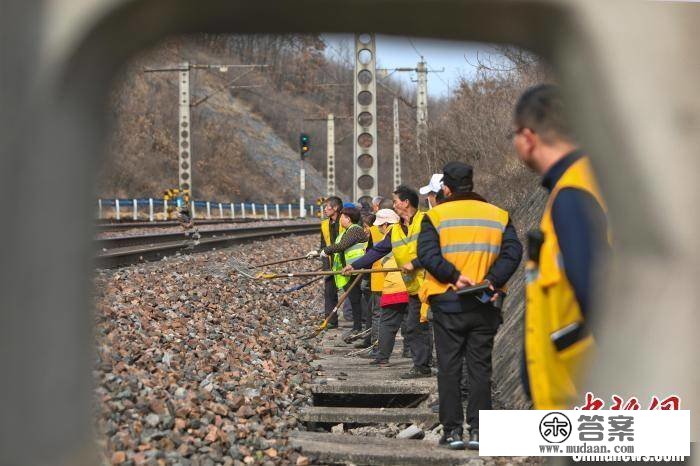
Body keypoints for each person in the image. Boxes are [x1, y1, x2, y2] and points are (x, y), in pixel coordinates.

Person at [511, 84, 609, 410]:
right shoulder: (586, 182)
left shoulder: (572, 196)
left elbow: (597, 294)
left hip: (585, 397)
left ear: (528, 137)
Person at [418, 161, 523, 450]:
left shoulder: (436, 216)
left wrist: (453, 276)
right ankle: (479, 431)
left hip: (448, 302)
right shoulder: (498, 215)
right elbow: (513, 251)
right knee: (480, 368)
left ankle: (452, 431)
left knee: (449, 368)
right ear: (472, 184)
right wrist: (492, 279)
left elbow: (426, 254)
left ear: (446, 188)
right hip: (485, 303)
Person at [343, 185, 433, 379]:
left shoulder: (426, 222)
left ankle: (425, 365)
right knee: (416, 326)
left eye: (395, 201)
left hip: (430, 283)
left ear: (406, 203)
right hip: (412, 286)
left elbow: (434, 250)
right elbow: (378, 250)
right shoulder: (395, 230)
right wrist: (356, 265)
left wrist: (415, 263)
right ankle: (422, 365)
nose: (393, 204)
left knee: (421, 326)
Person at [311, 206, 369, 339]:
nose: (340, 219)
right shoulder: (348, 230)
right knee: (354, 299)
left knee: (358, 300)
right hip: (351, 270)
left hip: (358, 270)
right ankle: (357, 327)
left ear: (348, 218)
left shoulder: (355, 230)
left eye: (342, 216)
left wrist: (324, 251)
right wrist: (318, 253)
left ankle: (359, 327)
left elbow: (342, 246)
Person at [307, 196, 343, 329]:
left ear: (336, 208)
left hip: (344, 260)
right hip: (329, 259)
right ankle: (331, 320)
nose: (324, 209)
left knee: (352, 290)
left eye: (327, 206)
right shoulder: (324, 224)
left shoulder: (345, 222)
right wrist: (317, 252)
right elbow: (324, 244)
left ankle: (361, 321)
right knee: (329, 290)